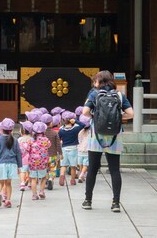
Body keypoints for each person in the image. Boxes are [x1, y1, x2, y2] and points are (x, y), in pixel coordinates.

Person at [81, 70, 133, 212]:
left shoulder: (94, 94)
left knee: (92, 168)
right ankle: (116, 203)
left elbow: (85, 112)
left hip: (96, 135)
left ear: (100, 81)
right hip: (115, 136)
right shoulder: (119, 95)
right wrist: (117, 116)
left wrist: (95, 116)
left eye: (95, 80)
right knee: (114, 169)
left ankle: (88, 201)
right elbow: (131, 114)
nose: (94, 83)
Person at [0, 118, 22, 208]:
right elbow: (18, 153)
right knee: (8, 184)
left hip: (1, 163)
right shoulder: (15, 140)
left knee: (0, 183)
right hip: (12, 164)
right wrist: (19, 166)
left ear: (1, 129)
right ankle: (8, 200)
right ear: (12, 130)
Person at [57, 111, 82, 185]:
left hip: (64, 148)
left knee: (63, 165)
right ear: (72, 120)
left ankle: (62, 177)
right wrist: (76, 121)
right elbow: (83, 125)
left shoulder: (61, 129)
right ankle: (72, 180)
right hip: (73, 148)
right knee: (73, 166)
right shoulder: (76, 128)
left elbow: (59, 139)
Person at [27, 122, 51, 200]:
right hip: (43, 162)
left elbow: (27, 149)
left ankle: (34, 195)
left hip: (33, 162)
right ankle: (41, 191)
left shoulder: (31, 140)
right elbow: (49, 145)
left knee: (33, 179)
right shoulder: (46, 139)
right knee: (43, 177)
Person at [17, 121, 34, 191]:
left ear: (22, 130)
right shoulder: (32, 139)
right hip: (31, 157)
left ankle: (22, 183)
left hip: (22, 158)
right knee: (30, 171)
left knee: (22, 171)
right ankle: (30, 183)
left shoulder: (19, 139)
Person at [76, 114, 91, 183]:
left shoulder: (80, 132)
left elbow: (79, 140)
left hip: (79, 150)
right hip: (87, 150)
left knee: (81, 164)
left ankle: (81, 175)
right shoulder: (91, 132)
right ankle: (82, 175)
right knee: (86, 165)